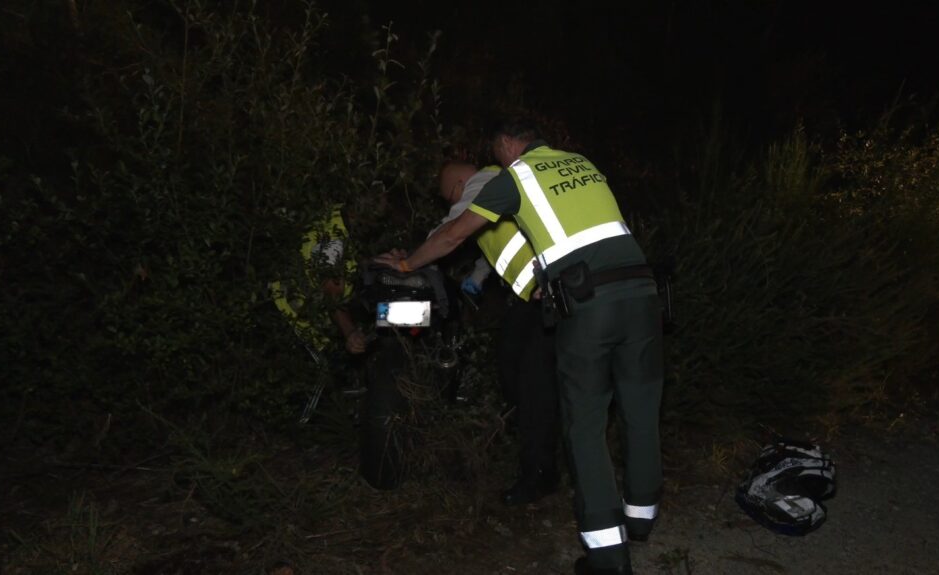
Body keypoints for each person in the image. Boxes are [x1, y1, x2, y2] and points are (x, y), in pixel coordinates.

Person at [375, 120, 663, 575]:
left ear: (509, 145)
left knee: (584, 425)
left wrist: (408, 261)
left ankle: (608, 559)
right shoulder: (582, 163)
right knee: (640, 409)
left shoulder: (515, 176)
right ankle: (642, 518)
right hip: (644, 294)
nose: (498, 161)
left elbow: (454, 235)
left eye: (499, 152)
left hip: (589, 304)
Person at [435, 160, 560, 506]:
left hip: (546, 296)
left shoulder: (483, 183)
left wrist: (410, 260)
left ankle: (539, 474)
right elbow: (499, 238)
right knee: (515, 372)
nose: (452, 203)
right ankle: (541, 459)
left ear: (460, 186)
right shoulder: (496, 183)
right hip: (531, 299)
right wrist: (478, 276)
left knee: (531, 382)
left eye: (450, 197)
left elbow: (452, 229)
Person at [270, 203, 366, 370]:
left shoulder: (333, 216)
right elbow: (331, 293)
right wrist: (351, 333)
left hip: (297, 314)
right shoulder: (335, 240)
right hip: (294, 322)